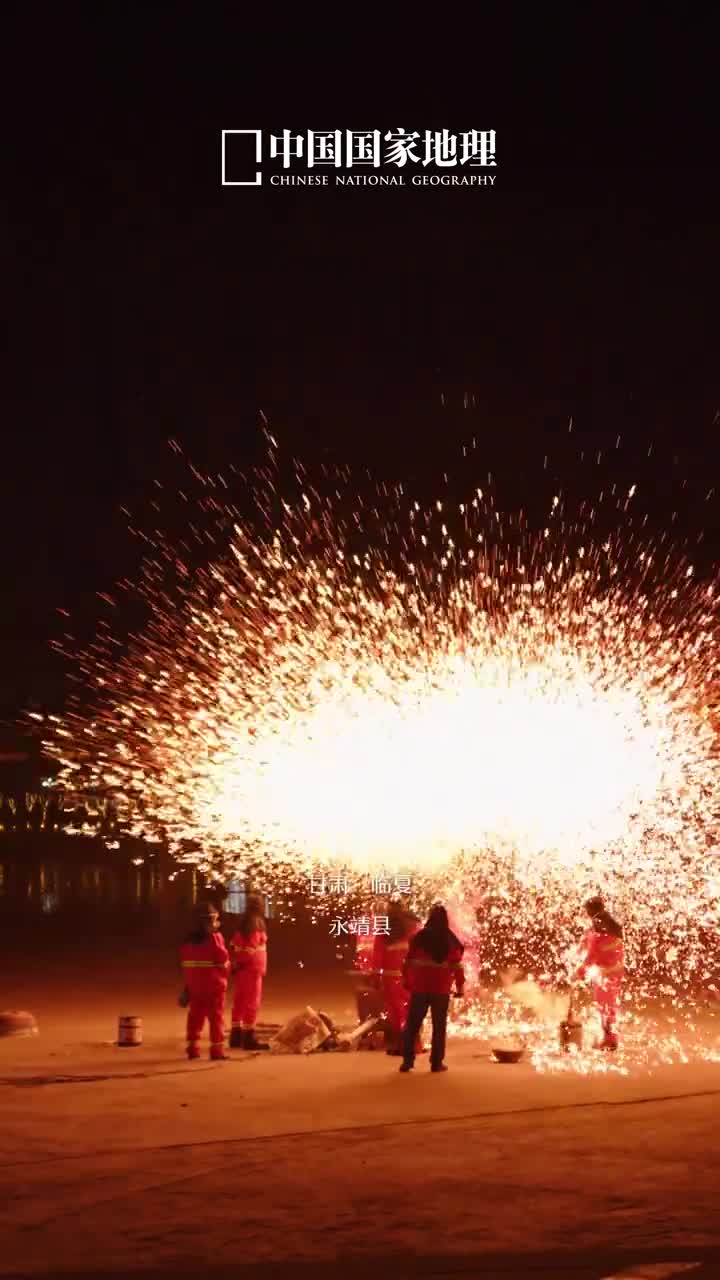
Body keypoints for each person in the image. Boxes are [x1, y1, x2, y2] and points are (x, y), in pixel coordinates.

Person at [399, 904, 465, 1073]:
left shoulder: (418, 938)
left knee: (412, 1026)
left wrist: (406, 981)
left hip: (419, 989)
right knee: (439, 1028)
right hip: (441, 991)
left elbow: (407, 962)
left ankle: (407, 1061)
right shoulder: (451, 941)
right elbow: (457, 967)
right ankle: (436, 1063)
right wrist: (460, 987)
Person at [179, 901, 230, 1061]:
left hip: (194, 986)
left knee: (195, 1016)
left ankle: (193, 1048)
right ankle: (217, 1050)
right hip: (214, 985)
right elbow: (222, 961)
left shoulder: (187, 942)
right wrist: (228, 969)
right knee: (216, 1017)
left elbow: (186, 965)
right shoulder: (215, 938)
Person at [574, 895, 624, 1051]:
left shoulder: (601, 925)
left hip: (606, 972)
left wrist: (581, 969)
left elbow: (594, 950)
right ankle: (608, 1037)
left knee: (606, 1006)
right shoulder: (607, 923)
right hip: (611, 971)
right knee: (607, 1005)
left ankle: (610, 1040)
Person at [373, 908, 422, 1055]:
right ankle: (414, 1045)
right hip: (411, 975)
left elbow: (377, 957)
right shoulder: (414, 930)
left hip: (391, 978)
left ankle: (402, 1045)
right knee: (410, 1009)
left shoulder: (383, 932)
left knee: (396, 1012)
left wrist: (375, 978)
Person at [229, 895, 270, 1050]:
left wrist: (237, 963)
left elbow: (233, 945)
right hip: (252, 969)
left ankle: (236, 1034)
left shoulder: (242, 923)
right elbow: (250, 949)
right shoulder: (256, 924)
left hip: (242, 969)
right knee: (252, 1003)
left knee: (239, 1001)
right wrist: (243, 961)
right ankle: (248, 1037)